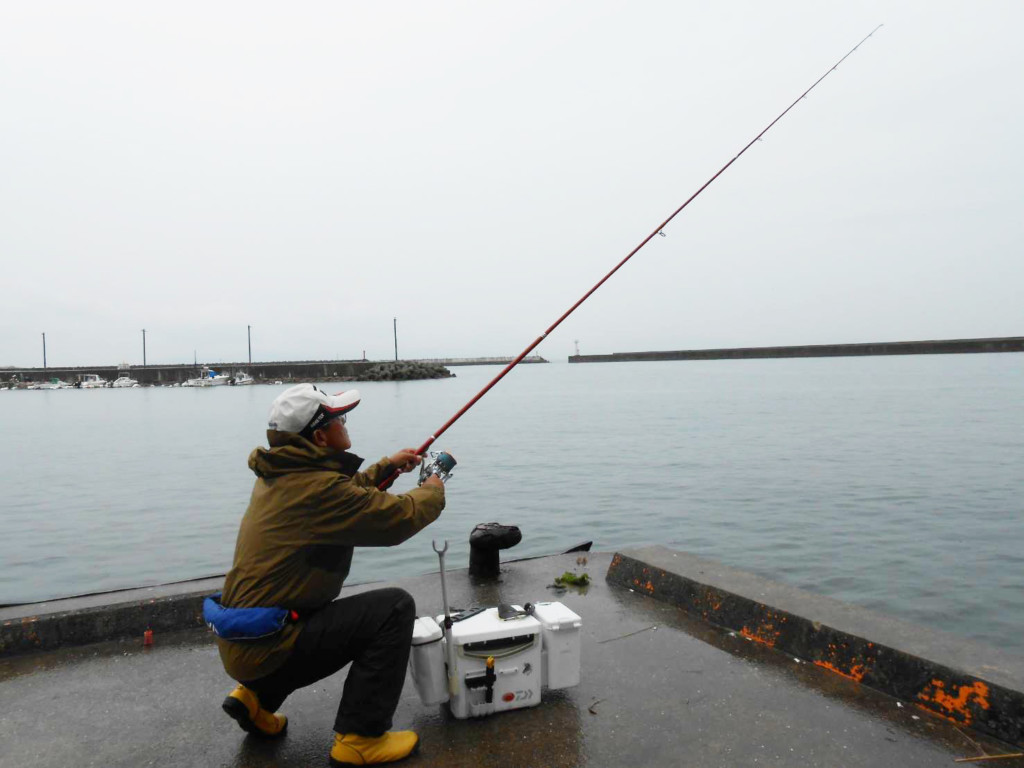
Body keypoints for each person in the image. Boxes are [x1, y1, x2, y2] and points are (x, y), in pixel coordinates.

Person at [208, 383, 446, 765]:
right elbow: (398, 518)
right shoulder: (318, 490)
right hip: (268, 644)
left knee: (317, 614)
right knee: (393, 608)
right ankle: (361, 738)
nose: (346, 424)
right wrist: (433, 487)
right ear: (320, 435)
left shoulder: (282, 475)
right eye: (340, 419)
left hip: (248, 641)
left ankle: (254, 699)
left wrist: (387, 467)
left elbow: (344, 491)